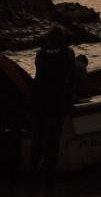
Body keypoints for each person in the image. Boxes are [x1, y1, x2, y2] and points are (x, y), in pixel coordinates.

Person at [29, 26, 76, 182]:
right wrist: (69, 103)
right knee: (52, 141)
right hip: (55, 102)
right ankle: (48, 177)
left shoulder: (41, 54)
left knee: (37, 139)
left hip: (38, 101)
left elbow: (39, 76)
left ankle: (32, 172)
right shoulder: (68, 53)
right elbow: (70, 81)